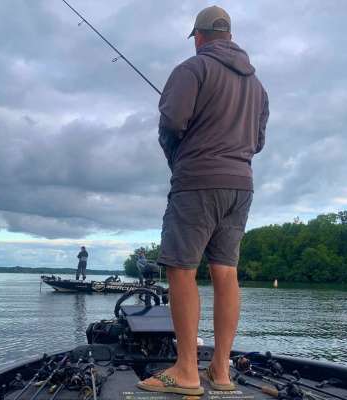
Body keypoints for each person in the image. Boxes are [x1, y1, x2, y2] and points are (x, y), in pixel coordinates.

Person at [137, 5, 269, 396]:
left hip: (197, 182)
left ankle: (186, 370)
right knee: (226, 271)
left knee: (181, 269)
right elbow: (258, 142)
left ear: (198, 37)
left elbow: (171, 122)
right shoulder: (258, 87)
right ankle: (221, 370)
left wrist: (179, 157)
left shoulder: (191, 69)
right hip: (241, 185)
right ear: (229, 36)